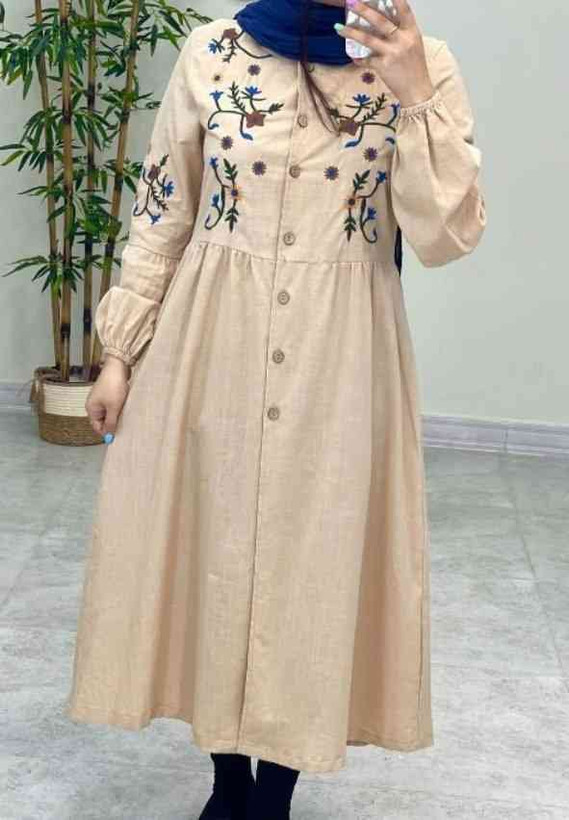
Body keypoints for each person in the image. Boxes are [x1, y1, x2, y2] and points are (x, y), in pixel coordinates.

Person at [67, 0, 487, 817]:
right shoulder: (211, 53)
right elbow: (163, 212)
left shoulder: (422, 63)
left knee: (313, 564)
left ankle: (276, 794)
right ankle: (228, 784)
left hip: (342, 354)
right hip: (211, 342)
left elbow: (444, 235)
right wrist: (119, 354)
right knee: (216, 550)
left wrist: (413, 94)